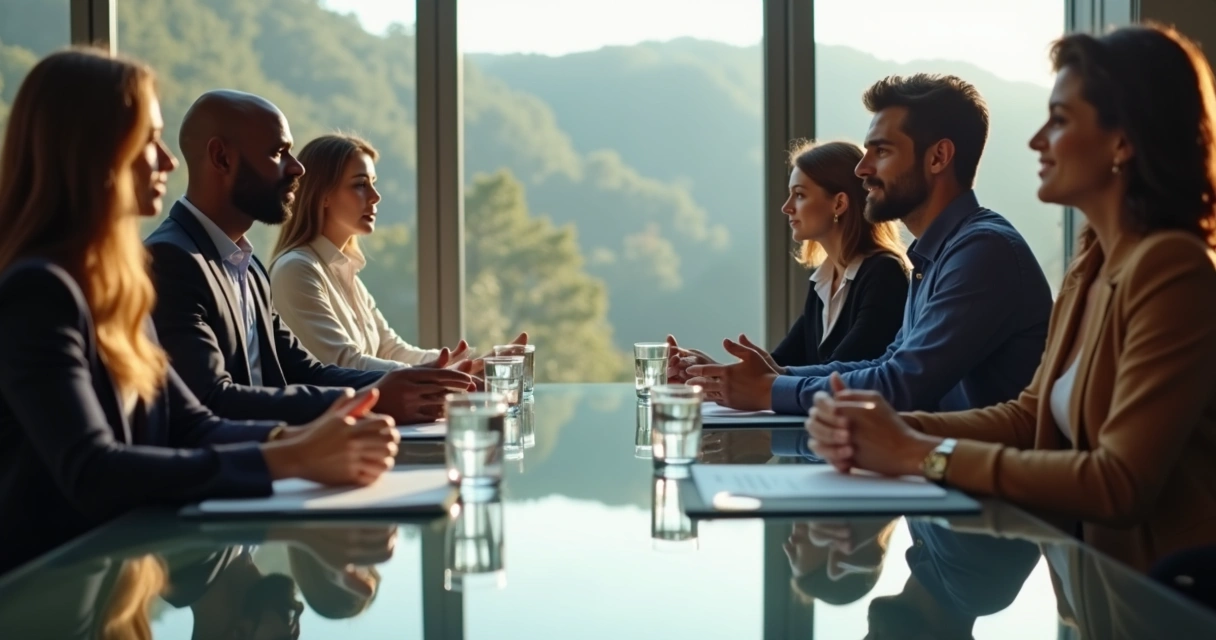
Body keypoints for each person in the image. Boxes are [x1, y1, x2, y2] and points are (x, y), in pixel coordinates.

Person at [808, 24, 1216, 574]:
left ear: (1123, 141)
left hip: (1158, 599)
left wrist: (918, 453)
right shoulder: (1090, 266)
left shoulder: (1172, 270)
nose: (1036, 139)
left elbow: (1119, 484)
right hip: (1087, 590)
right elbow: (1030, 417)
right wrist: (892, 429)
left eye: (1061, 120)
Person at [0, 49, 400, 574]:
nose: (168, 161)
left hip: (116, 587)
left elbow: (192, 424)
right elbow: (93, 470)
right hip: (47, 597)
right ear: (90, 153)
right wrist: (292, 457)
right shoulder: (39, 292)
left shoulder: (118, 292)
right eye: (149, 140)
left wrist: (305, 440)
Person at [684, 74, 1052, 417]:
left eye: (882, 152)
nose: (862, 169)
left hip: (979, 478)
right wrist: (775, 374)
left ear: (938, 157)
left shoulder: (982, 253)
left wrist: (770, 390)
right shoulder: (938, 254)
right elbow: (887, 364)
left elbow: (901, 385)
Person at [145, 91, 476, 425]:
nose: (298, 167)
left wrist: (415, 383)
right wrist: (372, 398)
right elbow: (211, 399)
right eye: (278, 152)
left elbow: (305, 370)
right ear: (221, 158)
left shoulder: (250, 268)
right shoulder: (172, 259)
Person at [268, 133, 524, 371]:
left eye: (373, 183)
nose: (375, 196)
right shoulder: (296, 270)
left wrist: (464, 363)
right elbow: (343, 364)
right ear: (322, 195)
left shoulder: (345, 272)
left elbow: (391, 350)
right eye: (360, 185)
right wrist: (446, 374)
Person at [668, 140, 908, 379]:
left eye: (800, 195)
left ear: (839, 203)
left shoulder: (884, 274)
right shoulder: (823, 281)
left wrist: (718, 375)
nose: (786, 207)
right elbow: (781, 365)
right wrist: (706, 369)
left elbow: (839, 375)